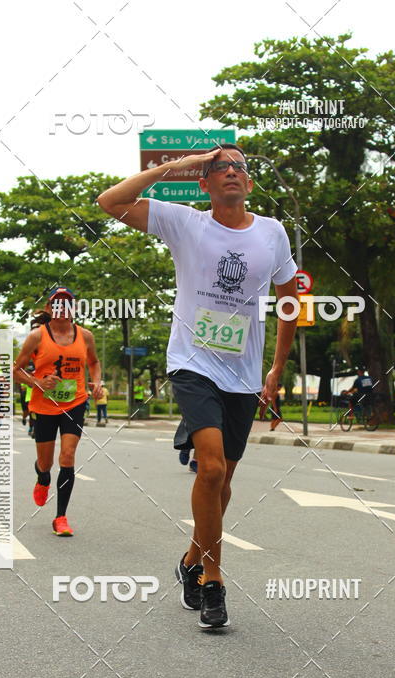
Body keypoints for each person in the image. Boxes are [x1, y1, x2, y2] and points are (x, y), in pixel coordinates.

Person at [98, 143, 298, 629]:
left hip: (244, 374)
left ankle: (190, 558)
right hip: (192, 363)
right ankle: (213, 581)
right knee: (208, 469)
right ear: (204, 183)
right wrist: (172, 168)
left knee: (223, 481)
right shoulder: (186, 223)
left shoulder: (272, 233)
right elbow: (110, 201)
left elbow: (289, 300)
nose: (230, 171)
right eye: (218, 167)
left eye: (239, 167)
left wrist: (275, 369)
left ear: (249, 183)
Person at [13, 287, 102, 536]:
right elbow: (16, 370)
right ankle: (42, 478)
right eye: (57, 303)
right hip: (45, 406)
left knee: (68, 456)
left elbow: (94, 362)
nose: (62, 308)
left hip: (74, 403)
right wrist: (38, 382)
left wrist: (98, 381)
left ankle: (61, 517)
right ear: (51, 308)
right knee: (46, 462)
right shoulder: (37, 336)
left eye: (68, 303)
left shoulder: (85, 336)